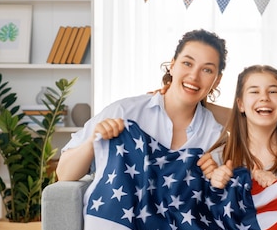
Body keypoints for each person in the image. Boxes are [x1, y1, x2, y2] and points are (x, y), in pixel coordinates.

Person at [56, 29, 228, 181]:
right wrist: (92, 141)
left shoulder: (215, 135)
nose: (194, 76)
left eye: (207, 70)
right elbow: (64, 174)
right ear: (173, 65)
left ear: (217, 80)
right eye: (187, 63)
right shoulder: (125, 112)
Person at [198, 65, 277, 189]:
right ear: (240, 104)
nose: (264, 97)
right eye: (254, 92)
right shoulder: (218, 159)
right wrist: (216, 185)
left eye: (272, 91)